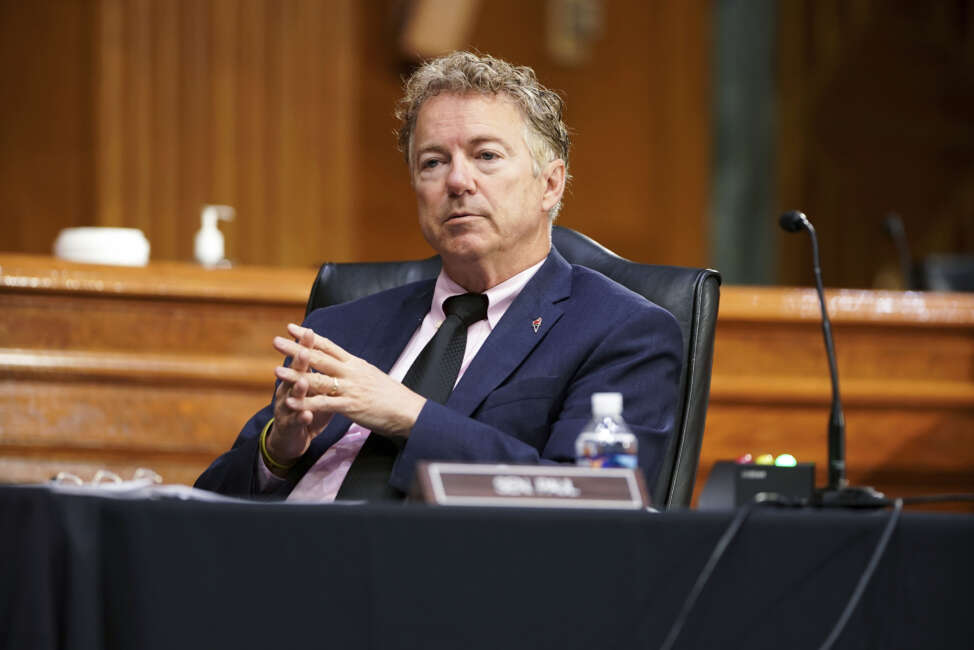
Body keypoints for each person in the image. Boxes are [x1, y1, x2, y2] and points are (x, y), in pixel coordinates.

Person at [195, 51, 683, 501]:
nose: (457, 181)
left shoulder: (621, 331)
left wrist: (411, 415)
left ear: (550, 184)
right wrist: (279, 450)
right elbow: (209, 505)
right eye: (433, 162)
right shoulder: (341, 328)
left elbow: (589, 501)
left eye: (486, 156)